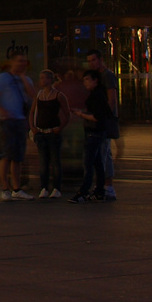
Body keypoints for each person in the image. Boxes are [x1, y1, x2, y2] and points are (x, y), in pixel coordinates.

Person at [0, 54, 35, 201]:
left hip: (20, 119)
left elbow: (33, 96)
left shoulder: (26, 79)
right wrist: (3, 111)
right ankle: (5, 188)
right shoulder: (2, 78)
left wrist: (22, 78)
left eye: (24, 61)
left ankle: (17, 188)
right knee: (6, 154)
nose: (22, 64)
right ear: (12, 62)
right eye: (19, 61)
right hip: (5, 120)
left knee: (18, 156)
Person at [71, 70, 115, 204]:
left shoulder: (96, 96)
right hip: (98, 132)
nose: (85, 83)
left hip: (93, 132)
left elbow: (97, 117)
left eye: (87, 80)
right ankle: (99, 191)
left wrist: (80, 114)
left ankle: (83, 191)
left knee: (89, 163)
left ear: (95, 80)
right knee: (97, 163)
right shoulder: (99, 94)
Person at [29, 69, 70, 199]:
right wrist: (33, 127)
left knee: (55, 160)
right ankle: (44, 187)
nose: (41, 81)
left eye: (44, 78)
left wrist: (60, 127)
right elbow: (32, 112)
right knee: (43, 162)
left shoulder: (58, 95)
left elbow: (66, 113)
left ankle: (57, 187)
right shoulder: (39, 95)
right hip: (41, 132)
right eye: (41, 78)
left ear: (50, 80)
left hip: (53, 132)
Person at [85, 50, 119, 200]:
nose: (92, 63)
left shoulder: (107, 76)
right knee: (102, 152)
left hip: (104, 119)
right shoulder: (97, 77)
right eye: (89, 61)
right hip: (100, 118)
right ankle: (103, 185)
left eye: (94, 60)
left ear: (100, 59)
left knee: (104, 153)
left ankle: (107, 185)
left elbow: (112, 99)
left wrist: (105, 116)